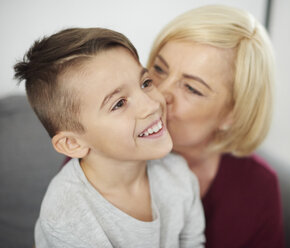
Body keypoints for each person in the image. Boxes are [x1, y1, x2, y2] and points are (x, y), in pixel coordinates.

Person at [14, 27, 205, 248]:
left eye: (145, 83)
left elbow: (193, 241)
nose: (152, 105)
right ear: (73, 143)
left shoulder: (178, 174)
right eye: (119, 103)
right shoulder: (65, 215)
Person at [147, 5, 285, 248]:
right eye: (159, 69)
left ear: (233, 114)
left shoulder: (257, 188)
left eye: (191, 88)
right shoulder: (102, 147)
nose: (159, 94)